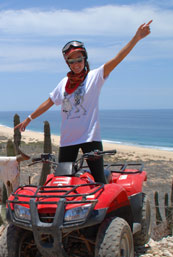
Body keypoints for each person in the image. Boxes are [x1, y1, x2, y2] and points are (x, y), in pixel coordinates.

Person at [15, 21, 153, 183]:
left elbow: (117, 59)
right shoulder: (64, 83)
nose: (76, 65)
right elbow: (49, 102)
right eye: (71, 62)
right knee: (63, 182)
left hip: (90, 138)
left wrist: (136, 38)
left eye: (79, 60)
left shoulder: (94, 77)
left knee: (99, 182)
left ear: (84, 58)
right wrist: (29, 119)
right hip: (68, 140)